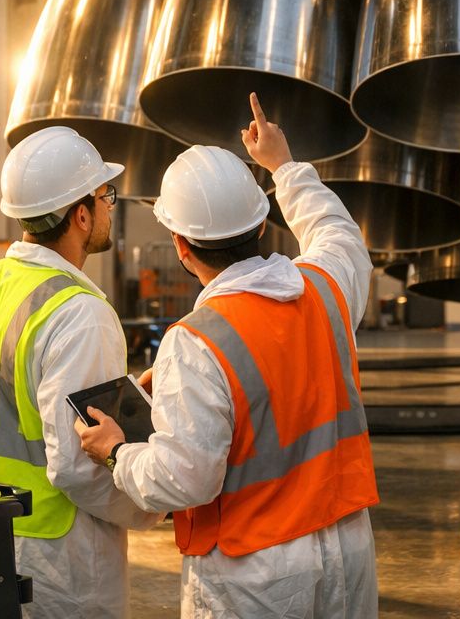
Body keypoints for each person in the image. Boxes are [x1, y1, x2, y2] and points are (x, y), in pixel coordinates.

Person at [78, 93, 379, 617]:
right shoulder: (328, 286)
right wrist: (282, 165)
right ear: (263, 225)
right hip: (348, 549)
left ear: (180, 245)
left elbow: (185, 478)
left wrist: (117, 452)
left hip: (255, 573)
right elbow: (336, 230)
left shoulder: (196, 342)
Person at [0, 126, 158, 619]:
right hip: (60, 560)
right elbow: (76, 465)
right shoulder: (78, 311)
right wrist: (153, 503)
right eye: (106, 195)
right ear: (81, 214)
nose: (111, 205)